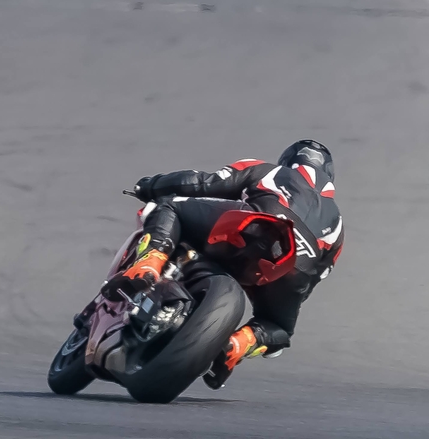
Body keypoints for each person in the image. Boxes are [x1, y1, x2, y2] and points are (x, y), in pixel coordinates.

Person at [112, 140, 344, 389]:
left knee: (169, 205)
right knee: (278, 327)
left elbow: (202, 183)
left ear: (289, 160)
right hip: (293, 266)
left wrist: (150, 186)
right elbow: (317, 276)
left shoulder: (270, 170)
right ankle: (238, 345)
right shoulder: (338, 225)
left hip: (256, 224)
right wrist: (284, 292)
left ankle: (148, 265)